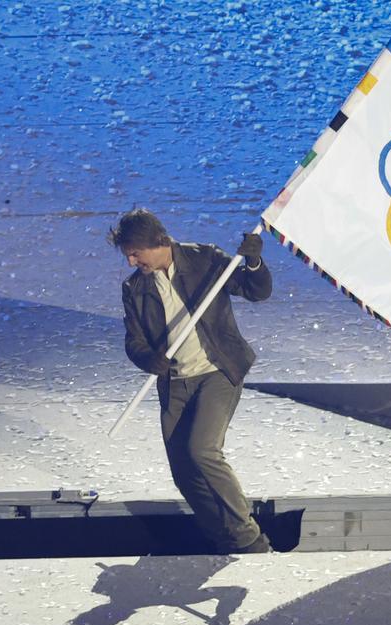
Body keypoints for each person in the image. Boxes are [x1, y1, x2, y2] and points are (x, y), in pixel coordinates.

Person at [108, 208, 273, 554]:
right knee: (184, 471)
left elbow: (255, 291)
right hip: (176, 383)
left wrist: (254, 263)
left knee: (202, 449)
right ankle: (225, 537)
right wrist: (147, 358)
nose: (131, 262)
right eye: (128, 256)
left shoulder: (205, 259)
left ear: (158, 242)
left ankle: (249, 537)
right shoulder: (135, 287)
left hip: (216, 372)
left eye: (135, 253)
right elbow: (134, 341)